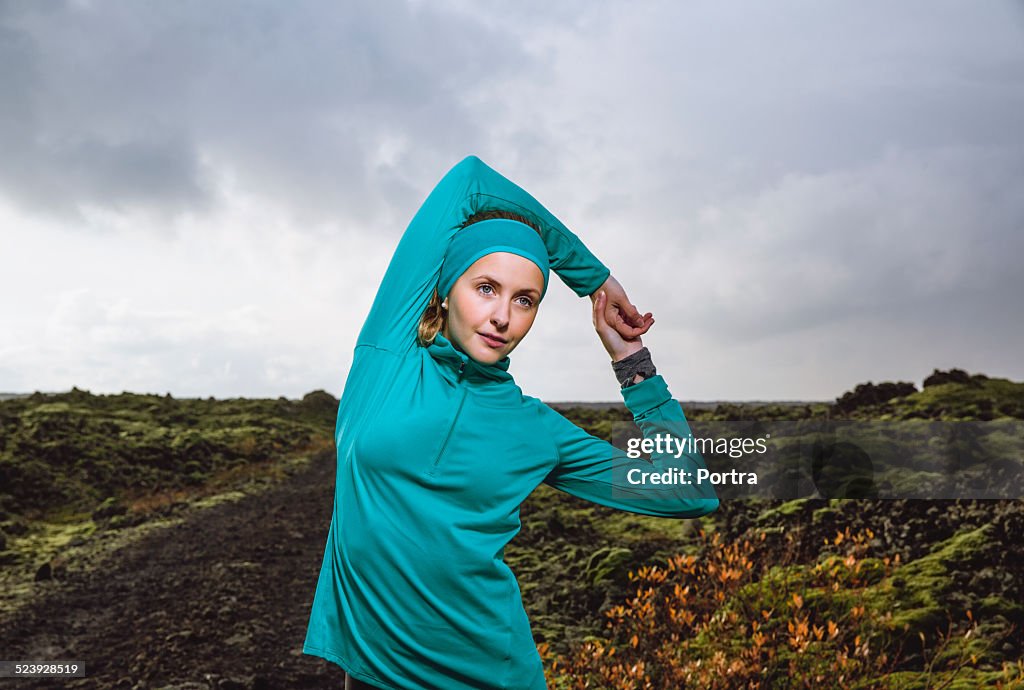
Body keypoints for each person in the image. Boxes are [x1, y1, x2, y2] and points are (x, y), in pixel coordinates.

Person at [303, 155, 720, 690]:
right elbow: (469, 182)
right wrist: (593, 278)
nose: (503, 316)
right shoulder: (387, 358)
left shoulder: (535, 428)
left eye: (524, 300)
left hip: (492, 675)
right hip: (373, 676)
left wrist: (632, 365)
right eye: (485, 288)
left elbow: (686, 491)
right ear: (446, 289)